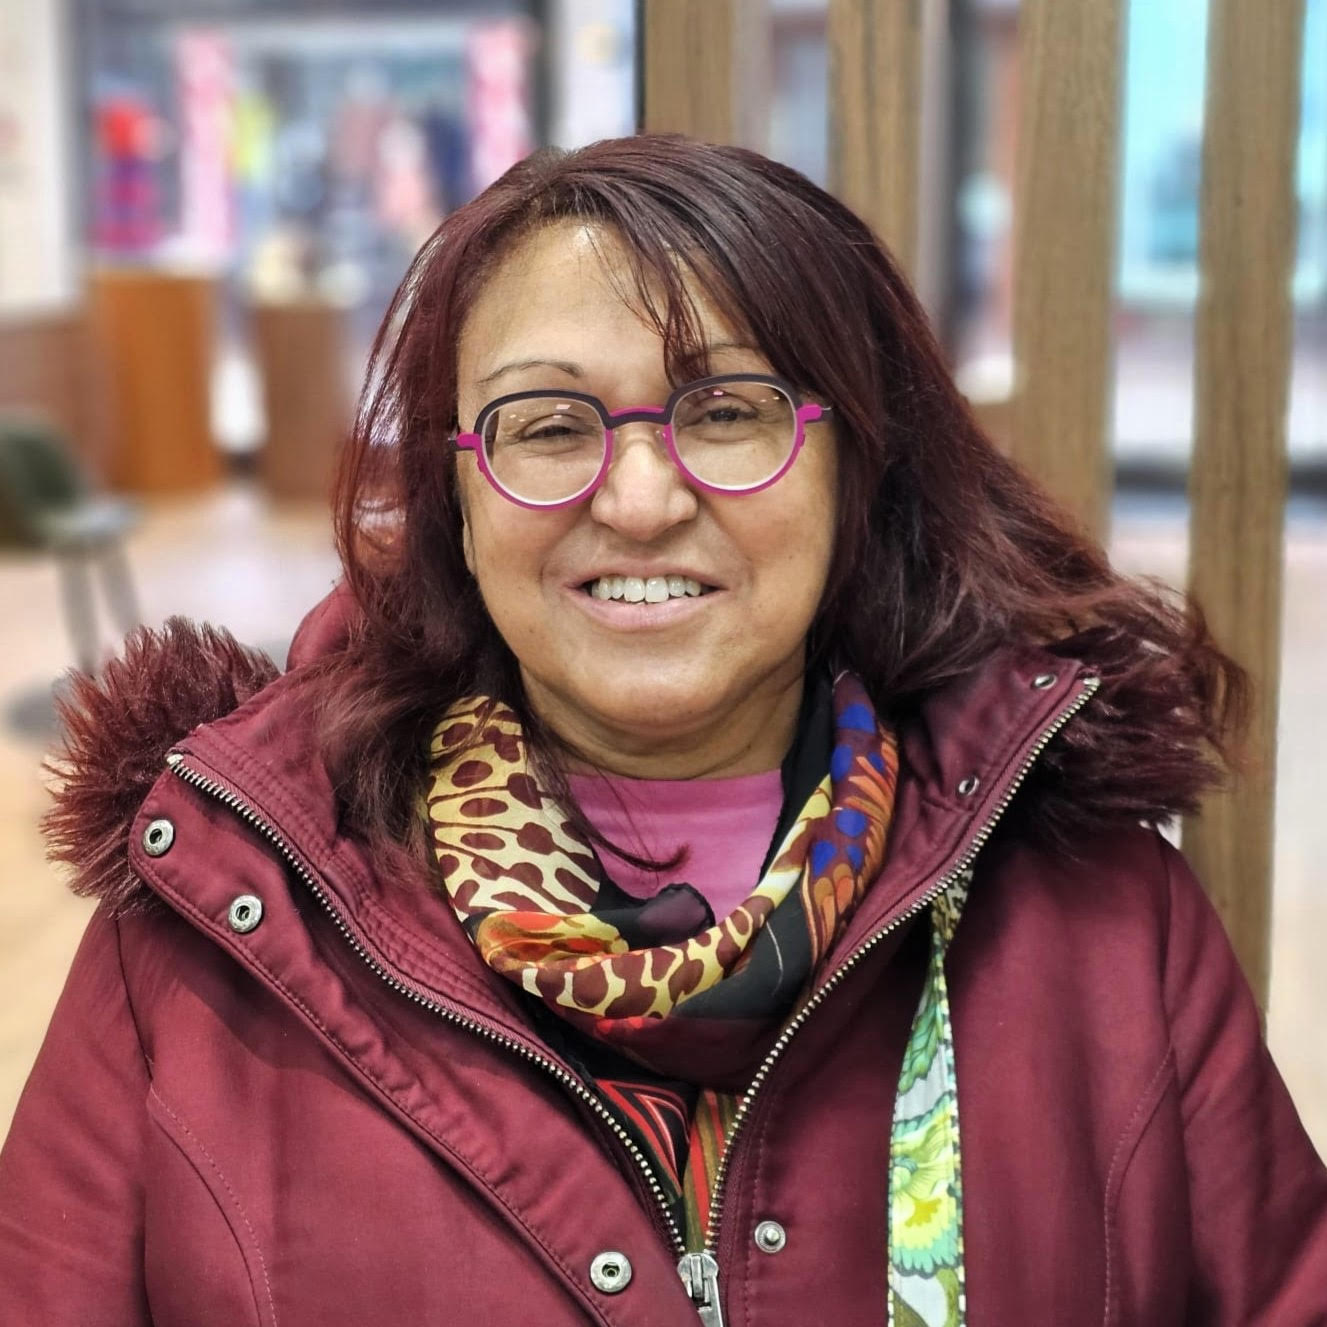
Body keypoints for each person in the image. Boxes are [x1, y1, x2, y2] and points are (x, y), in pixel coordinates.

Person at [1, 135, 1323, 1326]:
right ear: (458, 492)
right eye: (547, 425)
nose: (638, 501)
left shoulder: (1103, 923)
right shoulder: (221, 915)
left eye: (728, 411)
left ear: (858, 466)